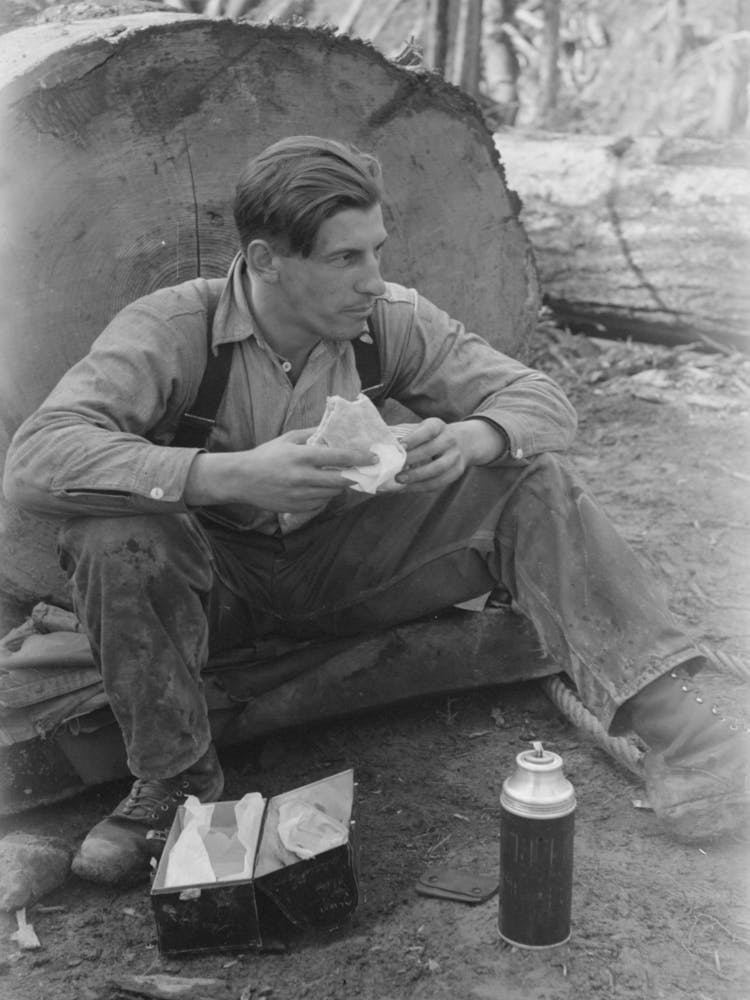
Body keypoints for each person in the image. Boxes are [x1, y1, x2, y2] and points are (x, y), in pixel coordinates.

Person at [3, 136, 747, 886]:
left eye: (376, 252)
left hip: (345, 570)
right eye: (344, 259)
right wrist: (230, 475)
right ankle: (175, 784)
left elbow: (543, 402)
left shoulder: (389, 320)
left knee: (531, 478)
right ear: (265, 262)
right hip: (214, 590)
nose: (372, 280)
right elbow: (38, 459)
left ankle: (688, 740)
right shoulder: (174, 328)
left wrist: (472, 436)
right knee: (119, 534)